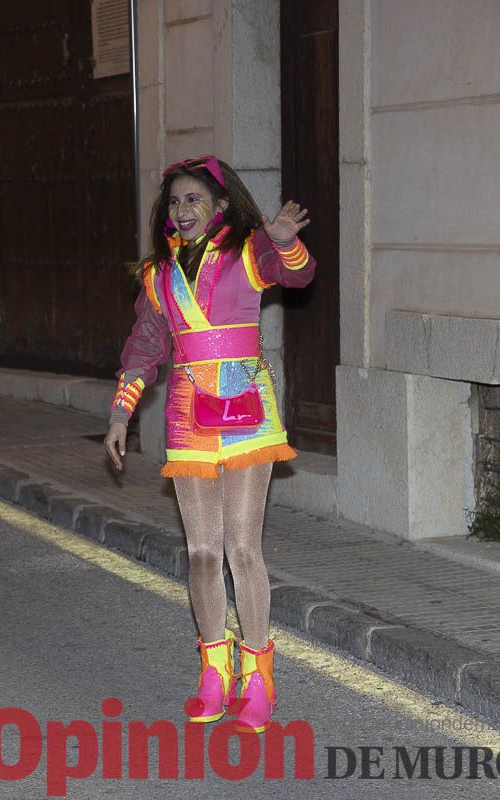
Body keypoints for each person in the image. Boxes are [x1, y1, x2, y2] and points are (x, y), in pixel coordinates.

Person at [103, 156, 314, 733]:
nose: (183, 210)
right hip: (187, 418)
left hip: (247, 413)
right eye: (174, 202)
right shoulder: (156, 275)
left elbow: (296, 275)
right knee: (200, 552)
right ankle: (214, 672)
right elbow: (145, 345)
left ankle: (259, 677)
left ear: (220, 207)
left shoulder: (251, 253)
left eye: (194, 199)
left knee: (242, 550)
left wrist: (286, 244)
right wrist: (122, 410)